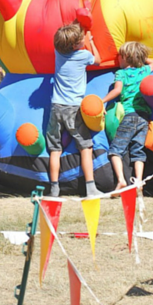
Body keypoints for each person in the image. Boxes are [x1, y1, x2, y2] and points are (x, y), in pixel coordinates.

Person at [48, 23, 102, 198]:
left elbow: (65, 38)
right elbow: (98, 60)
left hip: (56, 106)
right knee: (85, 147)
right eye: (80, 40)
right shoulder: (84, 55)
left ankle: (54, 188)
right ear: (75, 45)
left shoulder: (58, 54)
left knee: (55, 150)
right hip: (73, 107)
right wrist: (91, 42)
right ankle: (90, 187)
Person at [101, 42, 153, 191]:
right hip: (144, 117)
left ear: (125, 57)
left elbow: (118, 90)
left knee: (115, 150)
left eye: (119, 56)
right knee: (138, 150)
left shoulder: (121, 73)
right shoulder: (144, 70)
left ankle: (121, 180)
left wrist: (102, 101)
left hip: (130, 115)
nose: (118, 59)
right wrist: (139, 57)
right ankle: (138, 181)